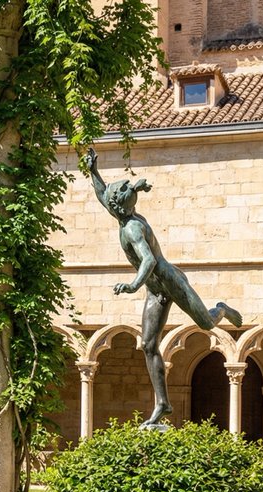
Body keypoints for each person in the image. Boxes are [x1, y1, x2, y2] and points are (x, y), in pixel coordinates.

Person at [85, 148, 243, 429]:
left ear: (117, 206)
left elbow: (148, 260)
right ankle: (163, 404)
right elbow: (101, 193)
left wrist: (133, 285)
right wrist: (93, 172)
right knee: (148, 345)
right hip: (155, 290)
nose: (106, 201)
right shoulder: (123, 216)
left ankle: (221, 308)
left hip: (170, 281)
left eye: (110, 200)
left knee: (206, 324)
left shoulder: (132, 228)